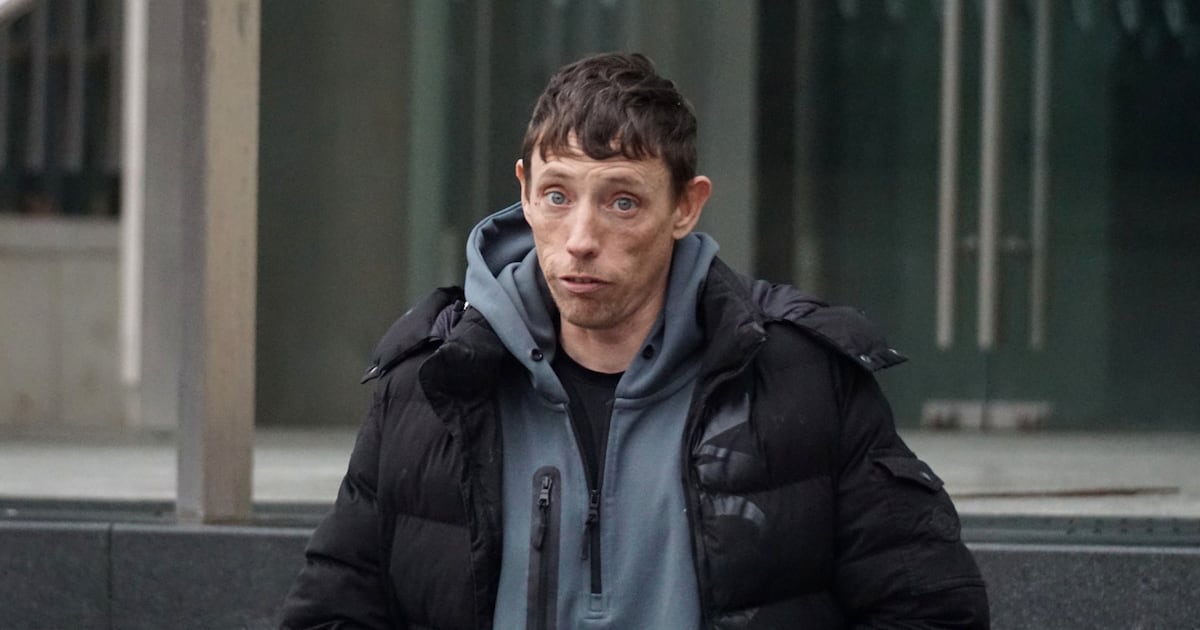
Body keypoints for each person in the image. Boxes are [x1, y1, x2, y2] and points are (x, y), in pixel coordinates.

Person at [280, 52, 989, 629]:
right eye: (557, 196)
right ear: (524, 192)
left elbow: (929, 611)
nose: (581, 240)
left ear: (686, 206)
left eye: (622, 201)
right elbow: (332, 614)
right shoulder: (431, 386)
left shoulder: (801, 380)